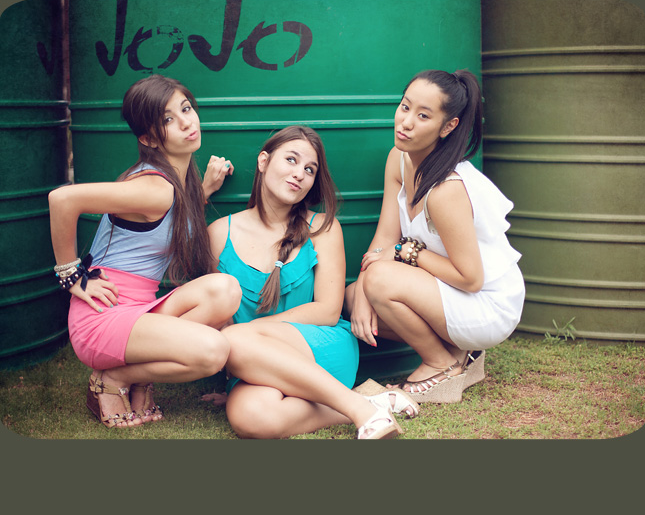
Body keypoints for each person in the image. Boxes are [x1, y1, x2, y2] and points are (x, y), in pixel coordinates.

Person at [48, 74, 242, 429]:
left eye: (186, 108)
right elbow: (62, 200)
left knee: (226, 289)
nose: (186, 122)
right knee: (213, 351)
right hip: (103, 314)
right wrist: (71, 276)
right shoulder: (156, 188)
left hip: (140, 308)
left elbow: (169, 220)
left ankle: (131, 374)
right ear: (149, 138)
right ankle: (114, 378)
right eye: (168, 119)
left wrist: (204, 189)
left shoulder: (174, 182)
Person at [207, 126, 420, 439]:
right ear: (263, 161)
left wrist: (247, 335)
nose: (299, 174)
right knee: (251, 419)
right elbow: (220, 319)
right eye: (291, 160)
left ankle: (362, 413)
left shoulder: (323, 227)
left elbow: (328, 311)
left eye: (309, 169)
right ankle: (369, 401)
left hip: (321, 346)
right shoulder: (218, 233)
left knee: (234, 339)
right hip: (254, 361)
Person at [345, 69, 525, 403]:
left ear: (448, 127)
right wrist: (365, 289)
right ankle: (458, 353)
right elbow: (384, 239)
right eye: (405, 107)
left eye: (423, 116)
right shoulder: (399, 160)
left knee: (380, 281)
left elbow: (470, 279)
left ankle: (441, 365)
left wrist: (406, 252)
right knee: (354, 296)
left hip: (488, 303)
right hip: (452, 291)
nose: (406, 122)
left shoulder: (446, 189)